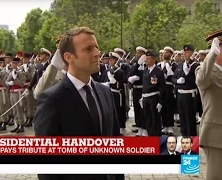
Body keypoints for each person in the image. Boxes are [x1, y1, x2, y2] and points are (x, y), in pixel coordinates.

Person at [34, 27, 123, 180]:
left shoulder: (105, 92)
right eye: (88, 49)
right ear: (69, 57)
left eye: (96, 47)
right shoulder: (52, 99)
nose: (97, 53)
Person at [195, 30, 222, 179]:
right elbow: (202, 81)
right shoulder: (204, 71)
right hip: (216, 135)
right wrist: (211, 54)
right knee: (216, 176)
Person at [171, 44, 199, 136]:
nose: (185, 54)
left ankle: (192, 142)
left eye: (187, 52)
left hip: (189, 95)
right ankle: (184, 139)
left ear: (192, 53)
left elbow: (196, 81)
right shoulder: (180, 65)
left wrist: (188, 75)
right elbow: (173, 78)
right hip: (180, 95)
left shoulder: (195, 65)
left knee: (190, 120)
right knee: (182, 120)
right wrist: (177, 81)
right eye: (184, 52)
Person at [141, 51, 166, 136]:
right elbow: (144, 85)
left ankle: (157, 140)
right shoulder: (145, 70)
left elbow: (163, 88)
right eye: (146, 58)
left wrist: (161, 102)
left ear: (154, 59)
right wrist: (142, 97)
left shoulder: (158, 71)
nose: (146, 60)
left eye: (148, 58)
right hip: (146, 98)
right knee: (147, 120)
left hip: (154, 98)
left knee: (155, 120)